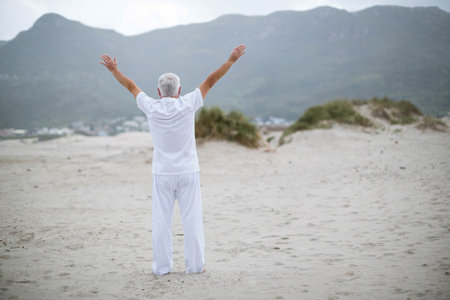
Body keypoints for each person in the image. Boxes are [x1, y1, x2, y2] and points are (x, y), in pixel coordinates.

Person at [100, 44, 246, 275]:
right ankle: (196, 267)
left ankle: (162, 268)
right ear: (179, 90)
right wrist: (230, 61)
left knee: (161, 223)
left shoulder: (151, 107)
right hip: (188, 171)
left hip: (162, 173)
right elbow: (210, 82)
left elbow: (131, 86)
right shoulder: (188, 103)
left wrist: (113, 70)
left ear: (159, 92)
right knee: (192, 222)